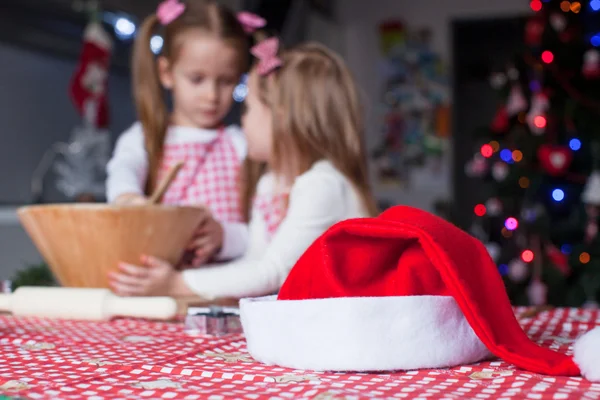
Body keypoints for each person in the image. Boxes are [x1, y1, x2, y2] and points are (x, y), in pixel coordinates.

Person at [109, 38, 379, 299]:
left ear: (280, 117)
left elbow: (271, 272)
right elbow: (255, 260)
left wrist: (177, 283)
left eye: (248, 108)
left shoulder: (322, 185)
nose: (243, 120)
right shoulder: (270, 183)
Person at [105, 0, 260, 265]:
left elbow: (265, 232)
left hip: (224, 287)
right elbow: (123, 170)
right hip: (161, 284)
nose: (211, 95)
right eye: (197, 79)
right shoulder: (145, 138)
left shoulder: (242, 143)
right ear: (166, 73)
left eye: (226, 81)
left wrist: (225, 236)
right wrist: (129, 200)